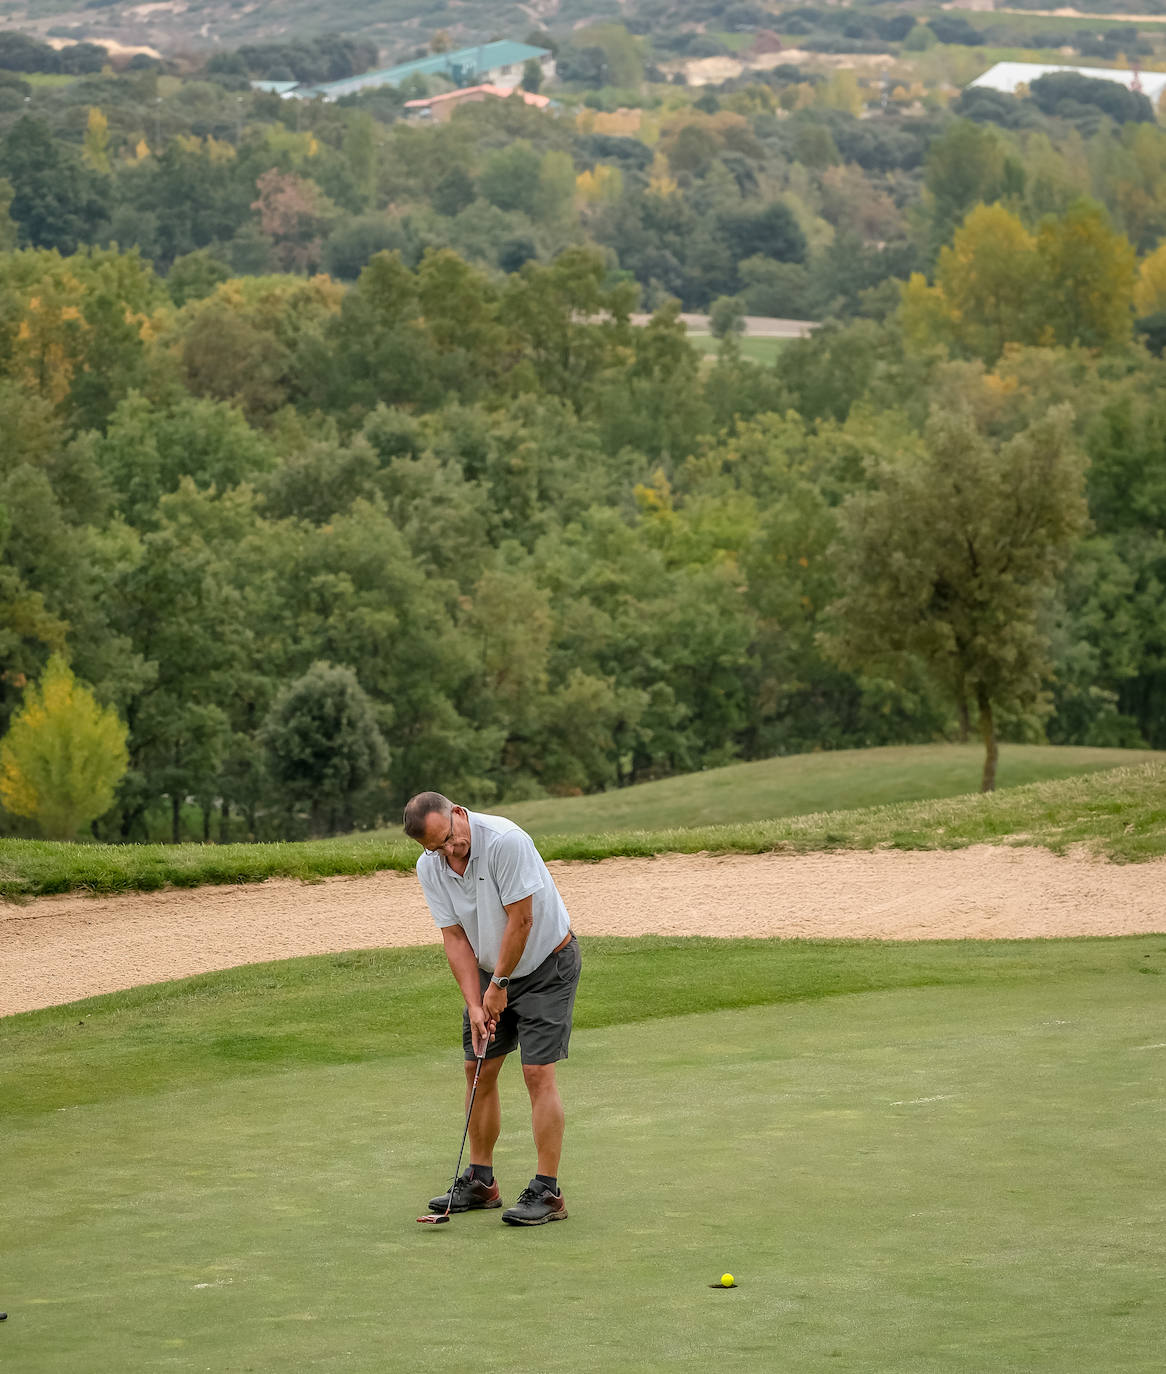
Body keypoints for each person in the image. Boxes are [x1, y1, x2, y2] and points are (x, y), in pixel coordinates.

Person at [403, 791, 582, 1226]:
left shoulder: (505, 840)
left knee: (537, 1072)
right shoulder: (431, 867)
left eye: (450, 838)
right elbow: (455, 938)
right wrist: (475, 1002)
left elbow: (522, 919)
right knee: (478, 1068)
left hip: (545, 965)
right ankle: (481, 1181)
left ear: (459, 815)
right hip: (490, 973)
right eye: (436, 847)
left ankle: (547, 1190)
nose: (449, 850)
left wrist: (499, 985)